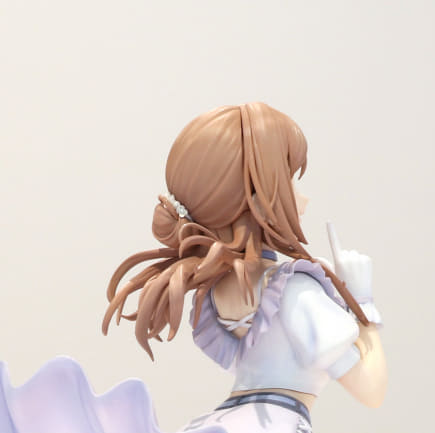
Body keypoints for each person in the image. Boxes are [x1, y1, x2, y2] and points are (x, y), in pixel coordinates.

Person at [0, 103, 386, 433]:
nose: (303, 200)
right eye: (289, 183)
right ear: (258, 200)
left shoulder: (219, 289)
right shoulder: (296, 291)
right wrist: (363, 302)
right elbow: (370, 390)